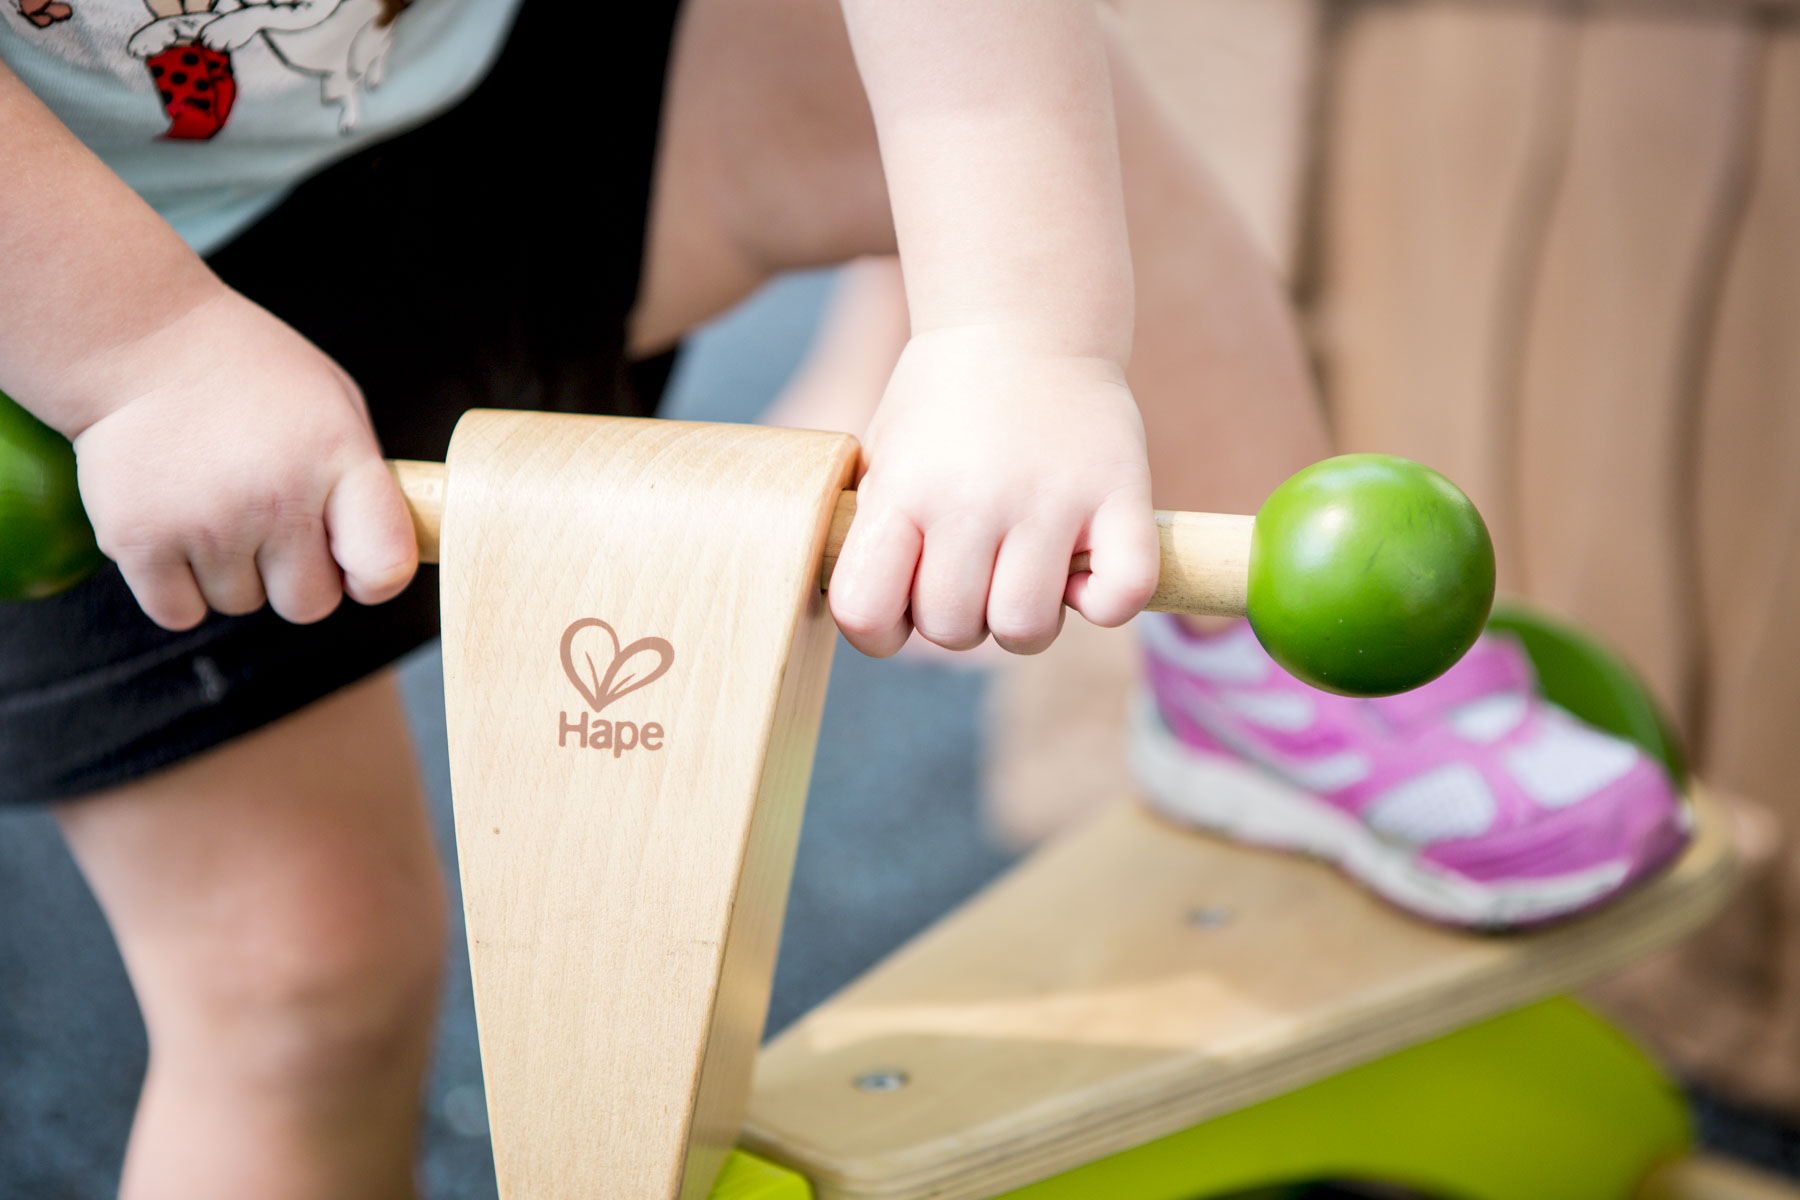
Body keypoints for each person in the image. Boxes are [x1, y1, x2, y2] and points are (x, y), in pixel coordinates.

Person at [0, 0, 1328, 1194]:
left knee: (1051, 149)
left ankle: (1300, 712)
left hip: (504, 70)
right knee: (299, 986)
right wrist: (142, 357)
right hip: (76, 278)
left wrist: (1023, 335)